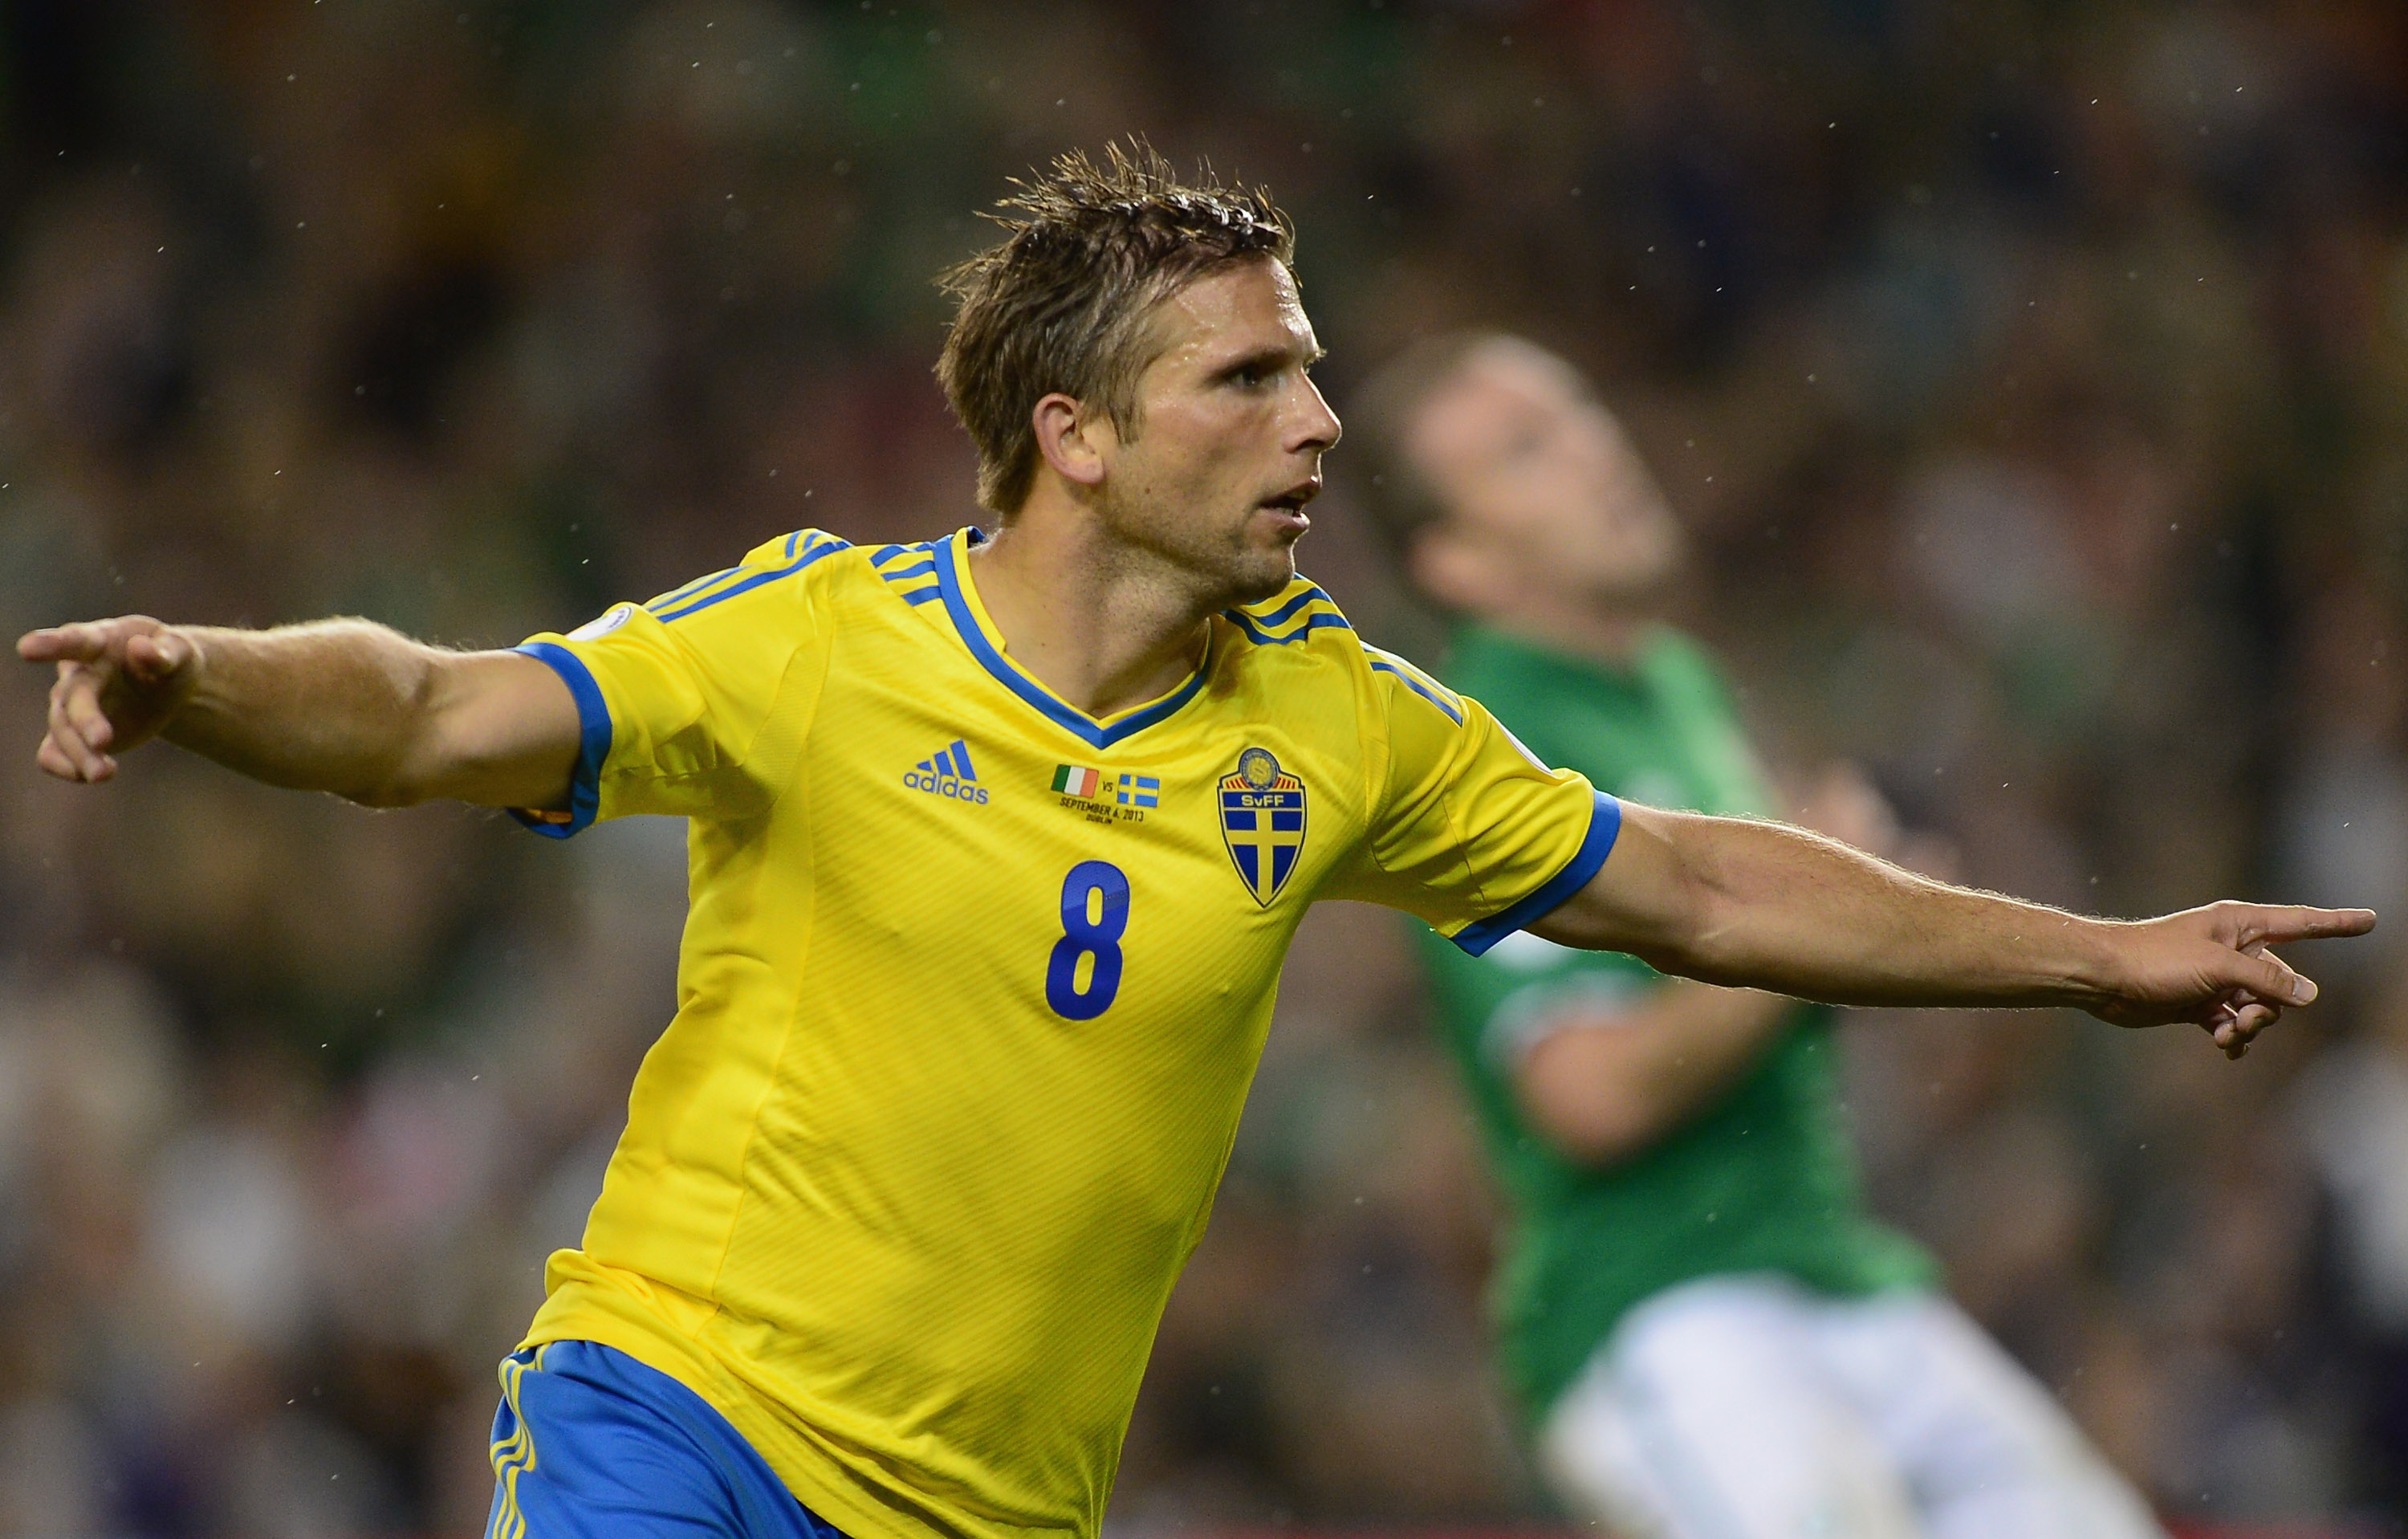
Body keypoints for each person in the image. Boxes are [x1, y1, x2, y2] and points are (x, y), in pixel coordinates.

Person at [17, 146, 2370, 1539]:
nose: (1320, 420)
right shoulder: (816, 641)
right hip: (680, 1416)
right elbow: (436, 705)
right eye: (1252, 377)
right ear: (1074, 434)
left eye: (1316, 367)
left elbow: (1707, 885)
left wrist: (2104, 953)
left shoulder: (1337, 721)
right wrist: (203, 672)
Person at [1349, 332, 2174, 1538]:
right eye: (1525, 453)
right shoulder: (1474, 747)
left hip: (1835, 1266)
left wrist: (1866, 932)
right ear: (1456, 559)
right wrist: (1806, 933)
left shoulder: (1679, 686)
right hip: (1664, 1301)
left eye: (1578, 411)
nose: (1597, 456)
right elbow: (1586, 1093)